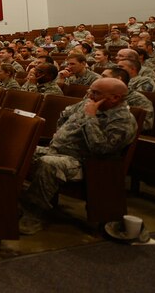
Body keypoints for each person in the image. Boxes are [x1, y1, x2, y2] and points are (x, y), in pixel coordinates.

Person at [19, 78, 137, 234]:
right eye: (90, 90)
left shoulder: (123, 121)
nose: (89, 95)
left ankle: (33, 215)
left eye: (95, 93)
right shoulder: (88, 103)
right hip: (56, 150)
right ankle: (9, 201)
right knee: (19, 149)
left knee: (49, 164)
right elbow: (64, 114)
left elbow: (100, 148)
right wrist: (61, 135)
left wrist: (90, 117)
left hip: (85, 164)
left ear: (115, 97)